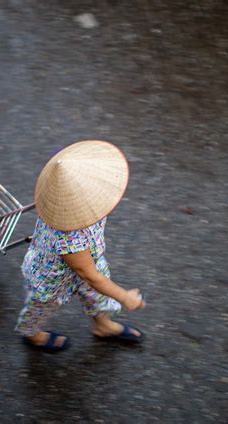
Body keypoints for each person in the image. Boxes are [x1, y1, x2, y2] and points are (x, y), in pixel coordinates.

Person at [15, 140, 146, 353]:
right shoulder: (70, 237)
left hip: (87, 262)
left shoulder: (63, 202)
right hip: (53, 276)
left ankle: (103, 325)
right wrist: (124, 297)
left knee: (96, 295)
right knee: (40, 307)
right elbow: (89, 275)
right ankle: (33, 335)